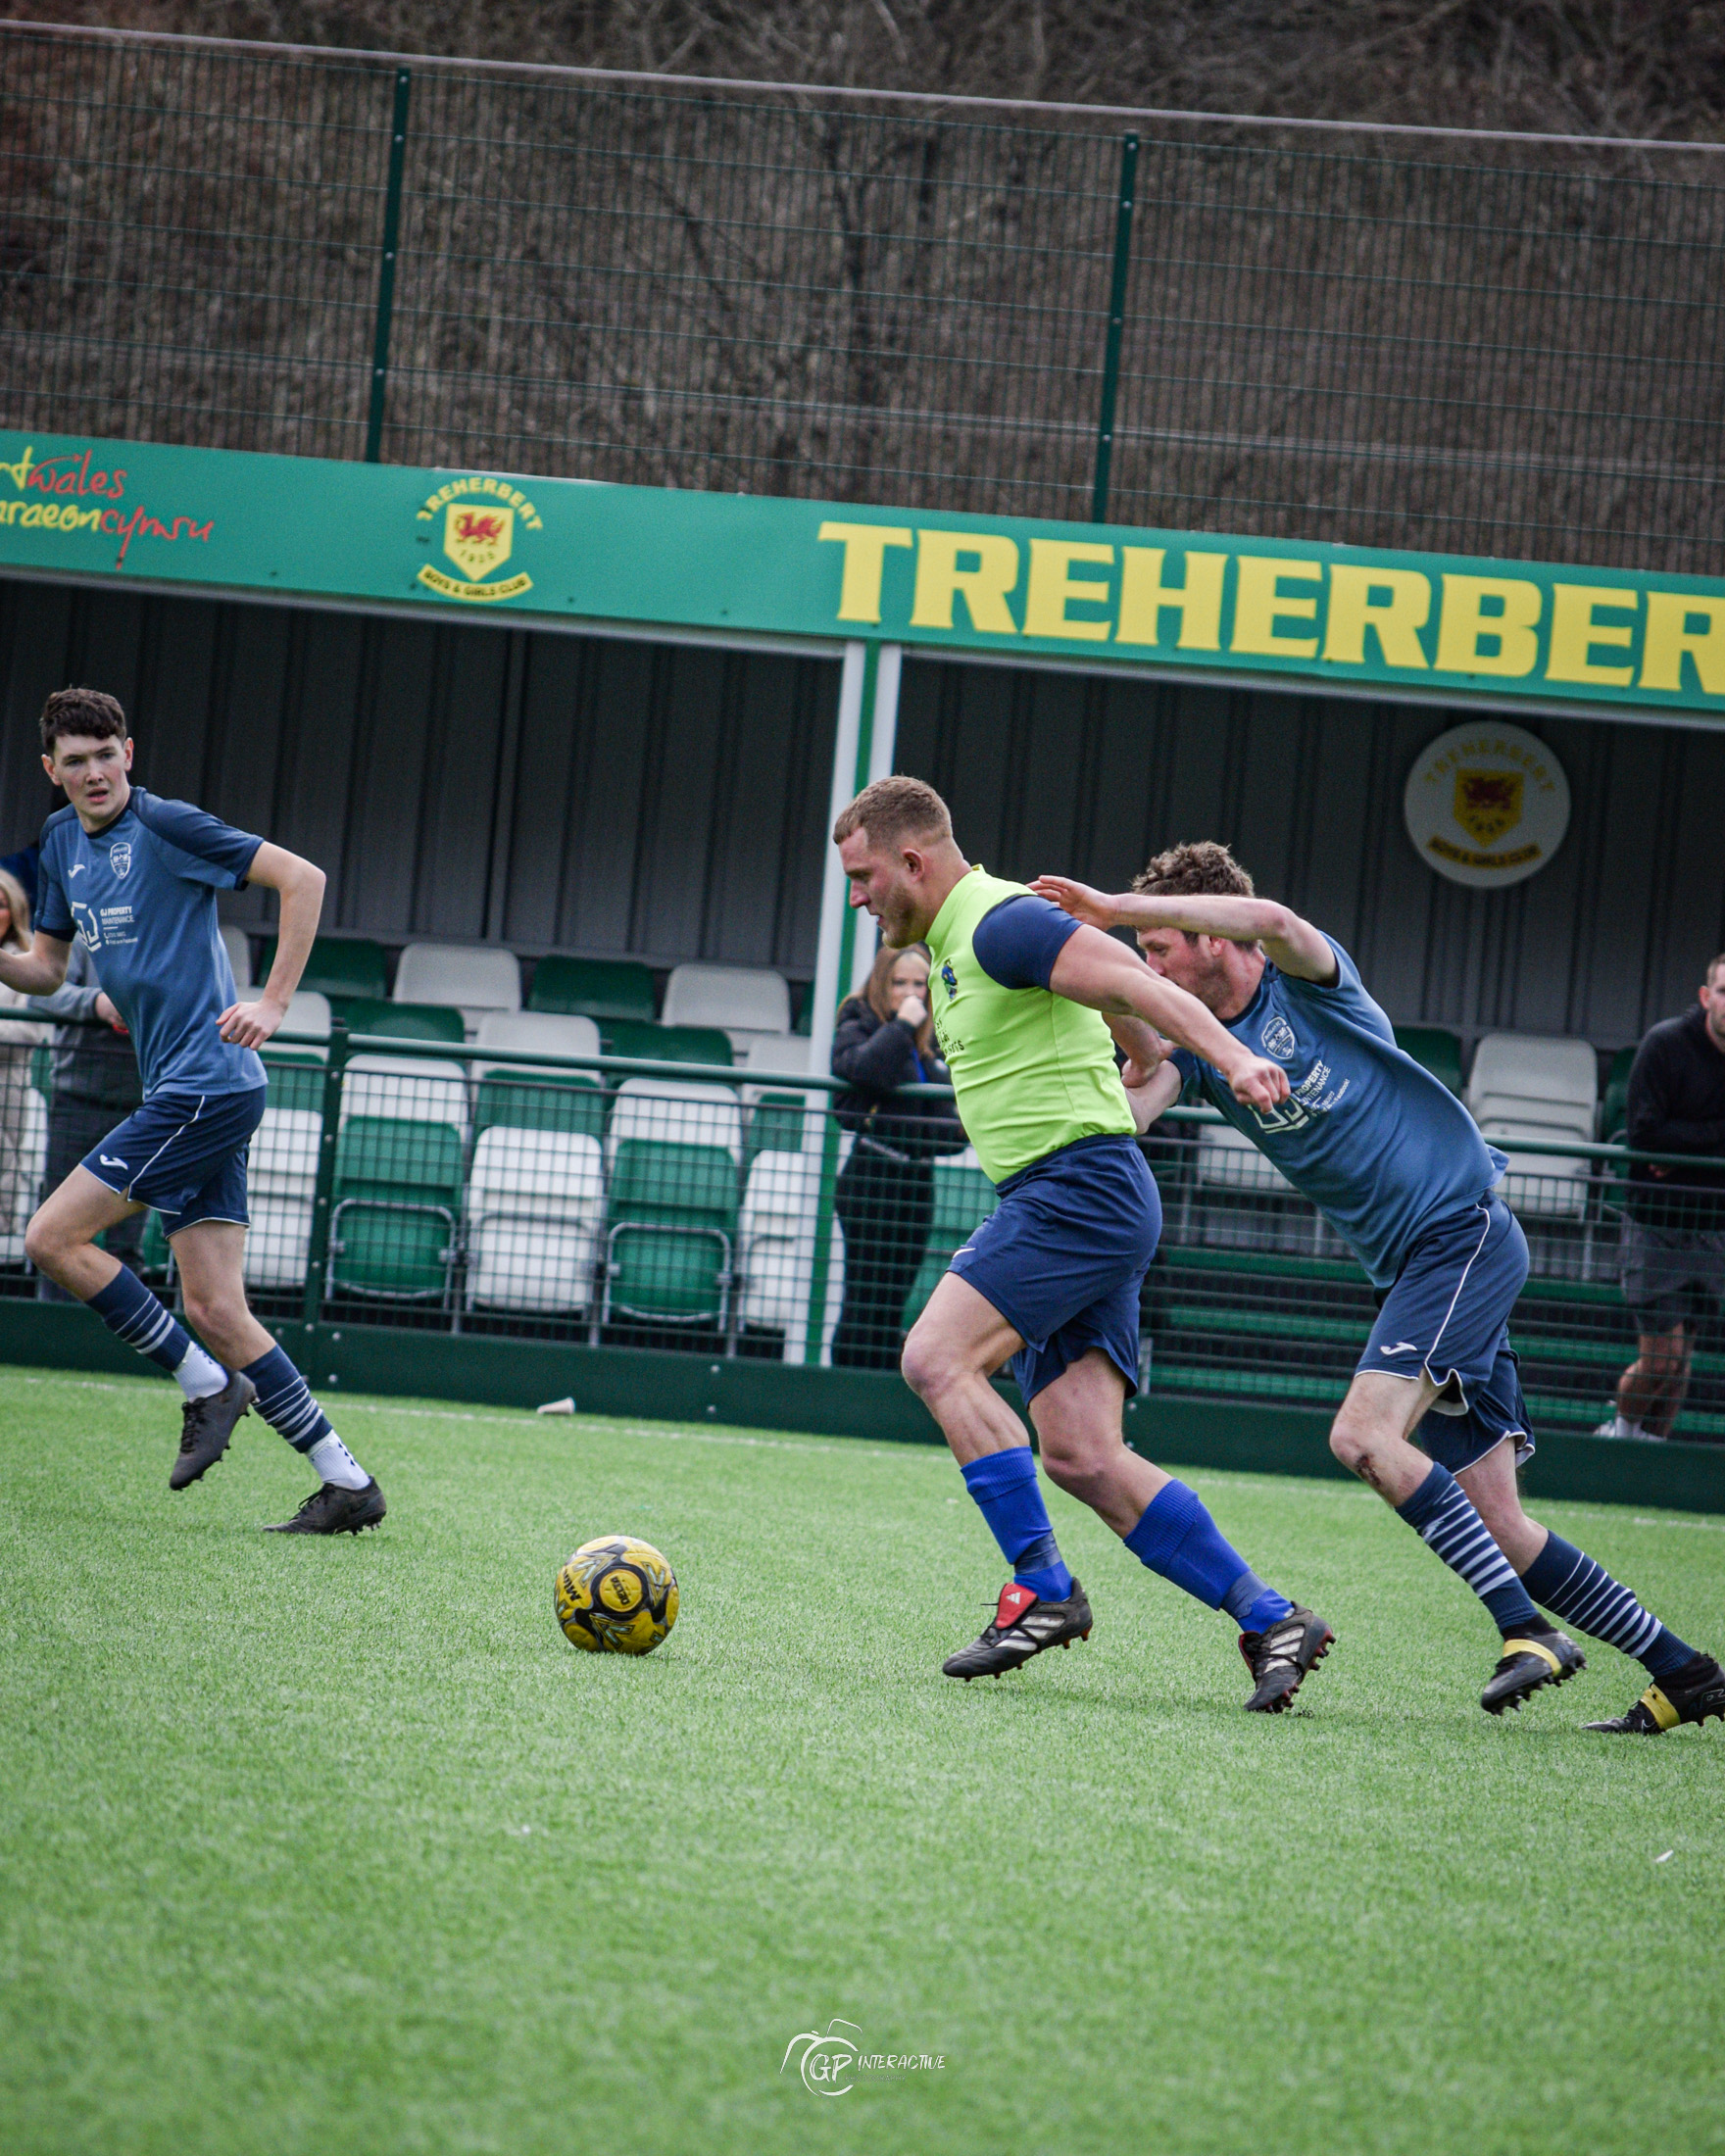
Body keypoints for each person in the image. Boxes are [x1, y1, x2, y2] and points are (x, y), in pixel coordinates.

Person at [1035, 843, 1724, 1736]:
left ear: (1210, 934)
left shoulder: (1308, 981)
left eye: (1159, 945)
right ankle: (1686, 1671)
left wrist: (1112, 908)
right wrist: (1084, 1045)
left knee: (1362, 1434)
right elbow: (1130, 1111)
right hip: (1422, 1272)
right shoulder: (1204, 1051)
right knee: (1501, 1524)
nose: (1147, 962)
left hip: (1462, 1237)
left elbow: (1277, 921)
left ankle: (1526, 1630)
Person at [835, 776, 1334, 1714]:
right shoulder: (957, 946)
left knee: (936, 1359)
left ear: (912, 859)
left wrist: (1229, 1058)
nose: (856, 898)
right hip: (1074, 1195)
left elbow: (1133, 980)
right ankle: (1273, 1619)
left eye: (863, 876)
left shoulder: (999, 922)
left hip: (1077, 1194)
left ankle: (1045, 1588)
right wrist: (1144, 1061)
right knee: (1081, 1455)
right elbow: (1115, 1010)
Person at [0, 686, 386, 1535]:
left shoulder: (168, 826)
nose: (95, 772)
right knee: (214, 1307)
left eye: (107, 755)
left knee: (50, 1238)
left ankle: (206, 1383)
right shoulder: (62, 842)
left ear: (128, 753)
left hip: (207, 1087)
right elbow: (48, 970)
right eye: (76, 761)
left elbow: (302, 879)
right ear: (50, 770)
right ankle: (346, 1482)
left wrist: (276, 1003)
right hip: (191, 1092)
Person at [1596, 956, 1725, 1445]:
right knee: (1662, 1358)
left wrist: (1686, 1147)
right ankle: (1621, 1435)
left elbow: (1671, 1142)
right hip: (1656, 1222)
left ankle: (1653, 1448)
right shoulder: (1666, 1044)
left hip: (1715, 1227)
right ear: (1706, 995)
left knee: (1682, 1359)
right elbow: (1647, 1134)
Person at [830, 942, 966, 1369]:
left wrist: (890, 1114)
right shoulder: (859, 1018)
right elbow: (864, 1069)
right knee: (865, 1293)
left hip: (917, 1184)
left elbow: (956, 1131)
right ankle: (846, 1385)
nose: (911, 994)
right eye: (899, 983)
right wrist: (902, 1027)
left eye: (919, 985)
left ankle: (876, 1385)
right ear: (880, 984)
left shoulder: (935, 1041)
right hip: (872, 1175)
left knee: (895, 1298)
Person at [23, 931, 147, 1295]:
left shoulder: (164, 934)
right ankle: (52, 1325)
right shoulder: (81, 936)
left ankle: (125, 1336)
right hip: (75, 1099)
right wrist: (98, 1004)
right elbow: (42, 996)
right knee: (55, 1228)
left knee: (128, 1239)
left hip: (143, 1107)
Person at [0, 867, 50, 1238]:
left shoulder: (29, 960)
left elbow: (29, 1030)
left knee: (4, 1168)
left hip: (6, 1089)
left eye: (1, 905)